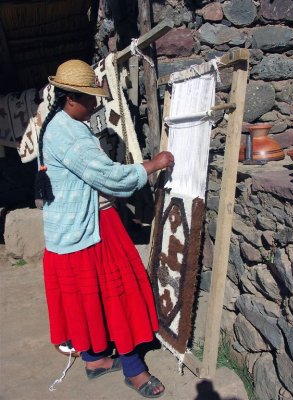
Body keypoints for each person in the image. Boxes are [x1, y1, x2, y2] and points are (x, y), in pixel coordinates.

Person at [35, 59, 174, 398]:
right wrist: (154, 164)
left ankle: (96, 359)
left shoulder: (59, 123)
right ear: (71, 100)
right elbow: (109, 176)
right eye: (89, 98)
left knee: (90, 298)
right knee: (118, 295)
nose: (95, 103)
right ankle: (134, 370)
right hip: (89, 229)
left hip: (69, 230)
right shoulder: (68, 132)